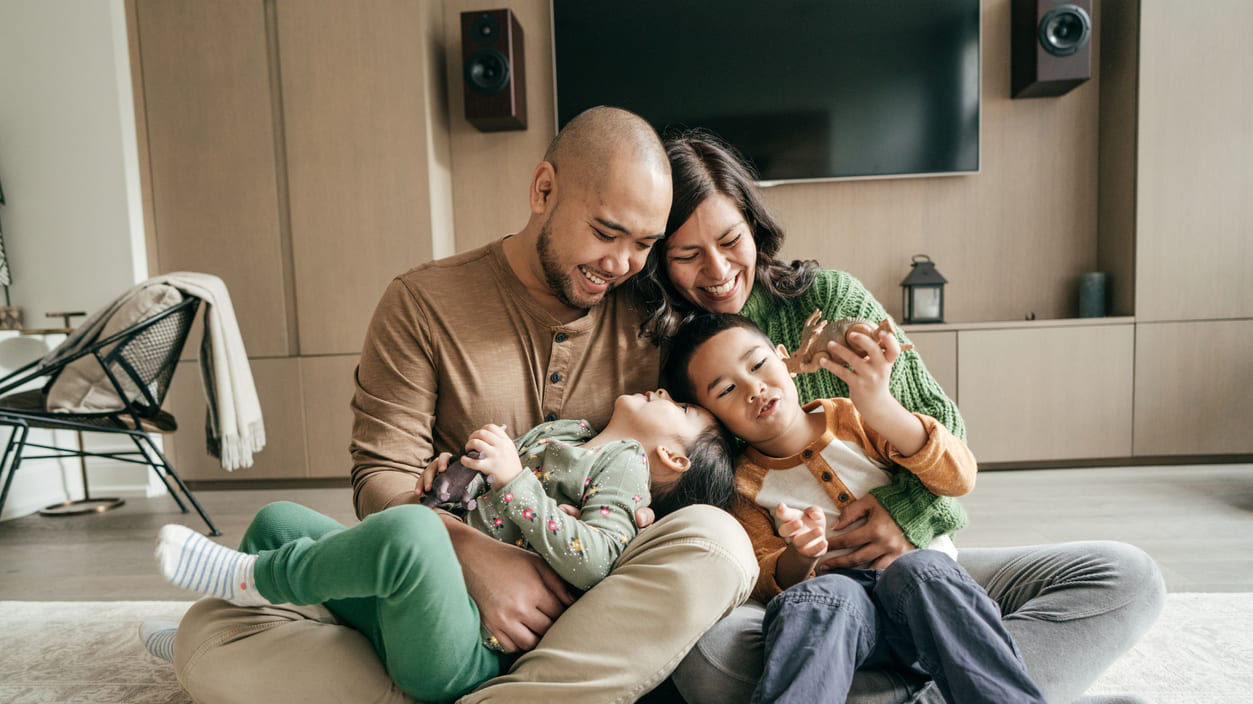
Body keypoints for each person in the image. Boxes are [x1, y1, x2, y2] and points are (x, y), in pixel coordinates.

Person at [162, 108, 758, 704]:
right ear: (543, 190)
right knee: (251, 570)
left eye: (645, 245)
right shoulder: (422, 302)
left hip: (575, 624)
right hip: (438, 597)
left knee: (718, 542)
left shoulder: (653, 315)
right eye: (606, 233)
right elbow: (381, 474)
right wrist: (471, 552)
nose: (623, 264)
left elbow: (724, 425)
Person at [634, 129, 1165, 703]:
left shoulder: (830, 304)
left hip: (923, 566)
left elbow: (949, 444)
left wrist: (898, 515)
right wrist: (797, 556)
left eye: (730, 240)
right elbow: (715, 519)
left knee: (1127, 580)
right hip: (818, 599)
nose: (716, 270)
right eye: (687, 254)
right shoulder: (666, 355)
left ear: (753, 227)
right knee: (713, 656)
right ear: (659, 261)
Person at [149, 389, 735, 701]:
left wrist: (515, 481)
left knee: (409, 534)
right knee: (279, 519)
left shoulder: (623, 468)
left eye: (680, 407)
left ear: (674, 458)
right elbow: (481, 503)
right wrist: (450, 479)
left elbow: (597, 559)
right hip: (419, 604)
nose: (663, 390)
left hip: (466, 651)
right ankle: (224, 624)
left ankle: (254, 584)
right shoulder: (568, 433)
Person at [663, 312, 1045, 703]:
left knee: (921, 569)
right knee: (821, 597)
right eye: (726, 390)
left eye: (758, 365)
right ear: (714, 418)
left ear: (785, 360)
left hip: (928, 607)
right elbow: (762, 574)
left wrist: (882, 407)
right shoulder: (743, 486)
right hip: (841, 627)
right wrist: (798, 553)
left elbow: (958, 476)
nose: (754, 388)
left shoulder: (856, 416)